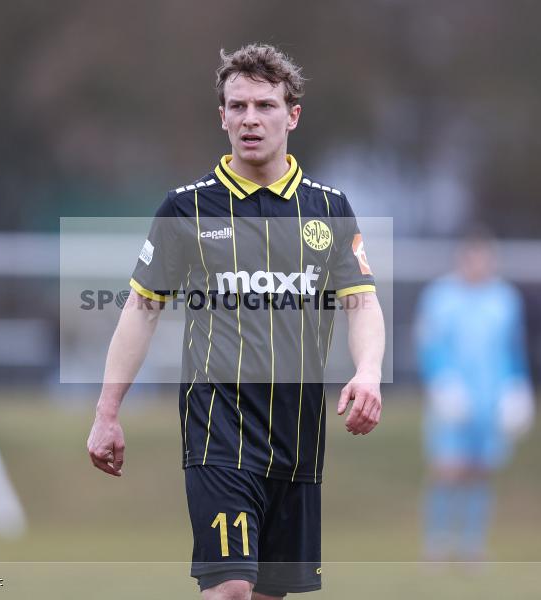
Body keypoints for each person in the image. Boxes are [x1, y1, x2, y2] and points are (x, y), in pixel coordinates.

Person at [87, 44, 386, 599]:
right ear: (221, 115)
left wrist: (368, 372)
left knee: (268, 594)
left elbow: (362, 302)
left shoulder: (329, 208)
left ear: (292, 115)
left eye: (265, 105)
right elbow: (140, 311)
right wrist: (107, 413)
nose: (250, 118)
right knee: (231, 590)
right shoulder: (186, 209)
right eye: (237, 105)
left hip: (297, 437)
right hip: (217, 430)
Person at [415, 229, 534, 562]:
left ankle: (472, 543)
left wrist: (518, 387)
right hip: (452, 396)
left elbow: (513, 347)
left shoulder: (505, 298)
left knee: (481, 469)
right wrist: (441, 382)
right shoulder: (440, 296)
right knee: (448, 468)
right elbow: (429, 343)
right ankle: (436, 541)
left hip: (491, 396)